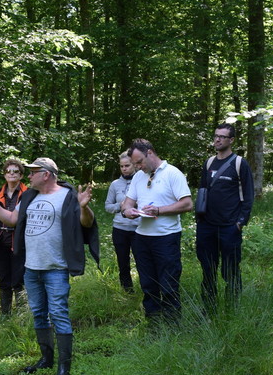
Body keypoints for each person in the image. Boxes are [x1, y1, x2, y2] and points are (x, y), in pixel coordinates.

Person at [0, 157, 99, 375]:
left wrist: (84, 208)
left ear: (46, 174)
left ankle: (64, 369)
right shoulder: (30, 196)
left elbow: (86, 223)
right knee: (39, 313)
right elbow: (12, 220)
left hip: (56, 267)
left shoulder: (68, 195)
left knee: (59, 314)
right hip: (31, 267)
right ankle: (46, 359)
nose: (28, 175)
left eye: (33, 171)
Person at [121, 139, 192, 328]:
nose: (137, 167)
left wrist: (159, 211)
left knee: (168, 283)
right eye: (134, 163)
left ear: (150, 153)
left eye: (139, 162)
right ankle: (153, 323)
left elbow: (187, 204)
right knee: (148, 283)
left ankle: (172, 325)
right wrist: (127, 211)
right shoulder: (138, 177)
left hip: (166, 238)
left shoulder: (172, 173)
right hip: (142, 237)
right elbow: (127, 203)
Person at [195, 124, 254, 314]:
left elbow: (248, 196)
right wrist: (199, 220)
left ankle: (232, 308)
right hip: (207, 226)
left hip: (230, 227)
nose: (217, 140)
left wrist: (240, 223)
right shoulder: (209, 163)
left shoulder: (239, 163)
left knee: (230, 270)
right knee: (208, 269)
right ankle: (209, 307)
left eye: (222, 137)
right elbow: (202, 191)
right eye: (215, 136)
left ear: (231, 140)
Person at [0, 159, 28, 316]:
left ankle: (22, 314)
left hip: (19, 242)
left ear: (21, 175)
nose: (12, 174)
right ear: (4, 174)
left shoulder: (27, 194)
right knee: (3, 277)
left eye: (16, 171)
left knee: (19, 278)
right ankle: (5, 315)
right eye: (9, 171)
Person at [104, 152, 140, 293]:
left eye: (127, 165)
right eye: (121, 166)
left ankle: (146, 288)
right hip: (120, 228)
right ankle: (127, 291)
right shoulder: (115, 184)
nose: (124, 168)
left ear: (134, 165)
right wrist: (121, 206)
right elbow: (108, 206)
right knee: (123, 262)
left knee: (142, 261)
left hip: (139, 228)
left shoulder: (142, 180)